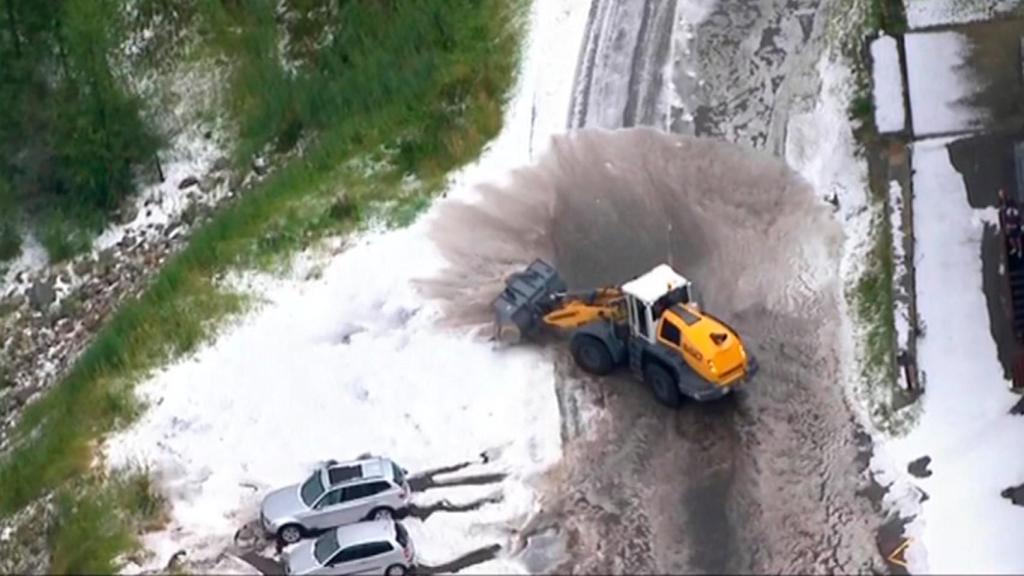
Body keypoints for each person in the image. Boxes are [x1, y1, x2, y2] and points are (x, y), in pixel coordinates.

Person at [999, 188, 1023, 258]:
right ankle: (1015, 248)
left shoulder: (1010, 201)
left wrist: (1020, 223)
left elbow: (1015, 211)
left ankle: (1020, 251)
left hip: (1014, 221)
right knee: (1011, 239)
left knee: (1017, 238)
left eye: (1002, 194)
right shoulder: (1002, 202)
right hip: (1009, 223)